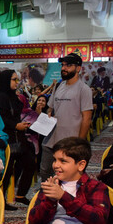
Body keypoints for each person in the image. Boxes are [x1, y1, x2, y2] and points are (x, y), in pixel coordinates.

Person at [40, 53, 93, 181]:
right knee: (45, 172)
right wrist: (48, 114)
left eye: (68, 65)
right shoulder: (58, 86)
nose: (64, 68)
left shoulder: (84, 89)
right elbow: (50, 108)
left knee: (66, 176)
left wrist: (79, 143)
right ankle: (47, 199)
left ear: (78, 68)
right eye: (63, 65)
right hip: (50, 140)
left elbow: (86, 118)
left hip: (70, 142)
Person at [0, 70, 34, 206]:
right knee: (7, 170)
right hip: (9, 138)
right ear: (6, 80)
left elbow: (17, 112)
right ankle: (2, 201)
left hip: (19, 137)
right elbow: (1, 118)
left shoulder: (13, 96)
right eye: (14, 80)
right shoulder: (1, 97)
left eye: (17, 79)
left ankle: (21, 194)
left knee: (30, 163)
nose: (17, 82)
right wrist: (16, 125)